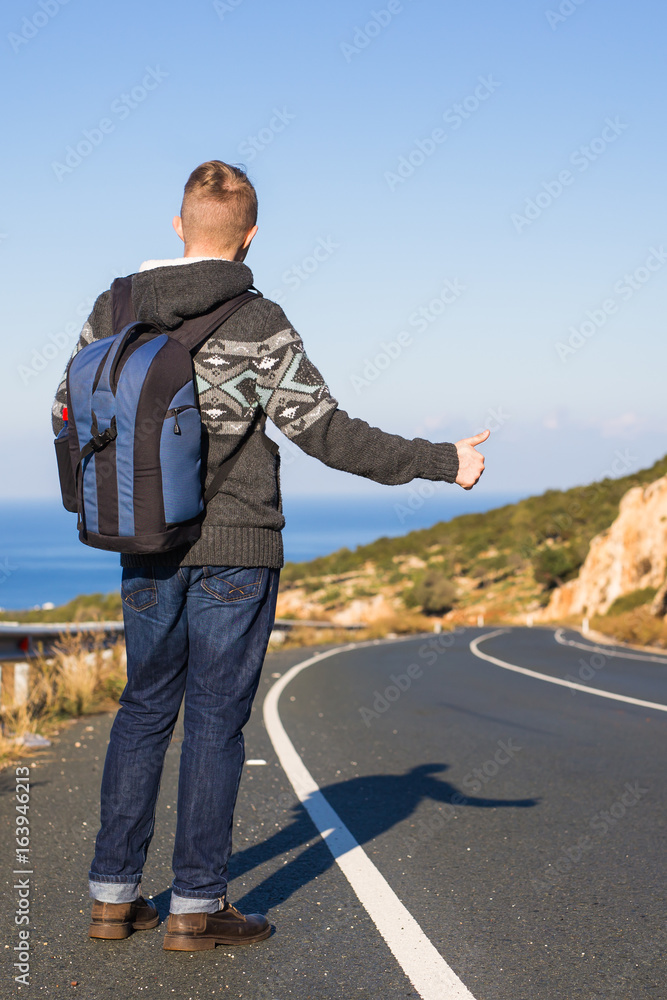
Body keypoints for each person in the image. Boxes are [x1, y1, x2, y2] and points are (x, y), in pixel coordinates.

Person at [51, 160, 488, 951]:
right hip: (237, 550)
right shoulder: (258, 319)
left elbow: (69, 409)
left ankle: (111, 899)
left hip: (142, 546)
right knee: (215, 722)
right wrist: (441, 460)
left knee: (143, 710)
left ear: (178, 226)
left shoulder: (112, 307)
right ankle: (196, 908)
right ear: (249, 237)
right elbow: (329, 433)